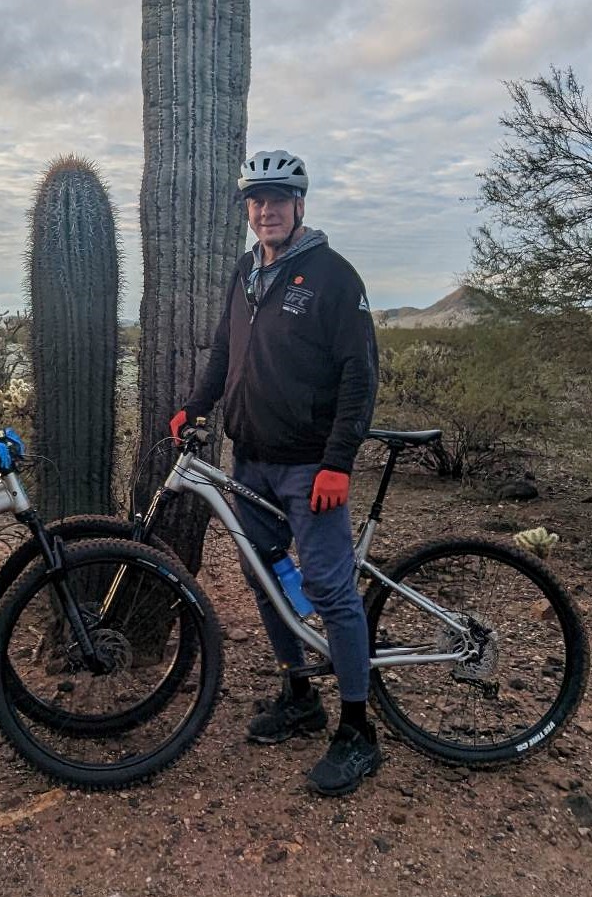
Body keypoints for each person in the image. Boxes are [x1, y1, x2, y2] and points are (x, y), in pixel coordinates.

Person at [170, 149, 380, 796]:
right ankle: (298, 693)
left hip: (309, 467)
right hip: (251, 461)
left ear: (300, 207)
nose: (266, 211)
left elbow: (360, 375)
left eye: (278, 200)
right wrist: (197, 405)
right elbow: (226, 351)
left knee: (329, 587)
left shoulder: (333, 276)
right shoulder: (247, 272)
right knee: (263, 576)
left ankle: (357, 728)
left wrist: (338, 463)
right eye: (256, 202)